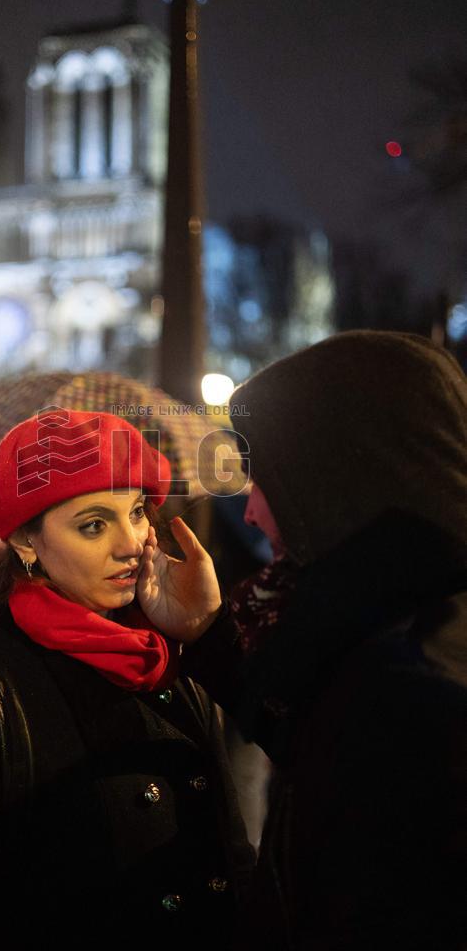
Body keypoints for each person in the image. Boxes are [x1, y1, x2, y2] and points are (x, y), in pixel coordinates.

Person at [140, 331, 467, 950]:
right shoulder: (404, 625)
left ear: (341, 474)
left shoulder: (416, 687)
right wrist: (211, 638)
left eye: (266, 477)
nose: (255, 511)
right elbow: (323, 744)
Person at [0, 408, 254, 951]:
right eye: (93, 524)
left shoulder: (168, 652)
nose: (132, 542)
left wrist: (207, 633)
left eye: (136, 512)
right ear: (26, 542)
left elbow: (231, 850)